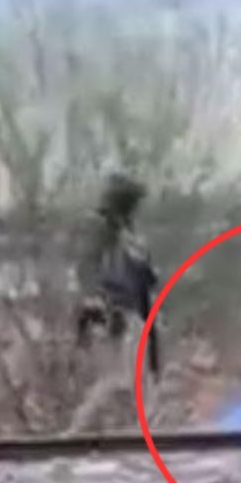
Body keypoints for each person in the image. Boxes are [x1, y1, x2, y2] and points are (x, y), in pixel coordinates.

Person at [69, 173, 161, 433]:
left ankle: (137, 433)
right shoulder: (103, 231)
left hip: (130, 315)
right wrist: (95, 303)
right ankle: (80, 430)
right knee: (118, 381)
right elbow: (87, 269)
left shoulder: (130, 236)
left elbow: (144, 283)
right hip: (115, 315)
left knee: (134, 383)